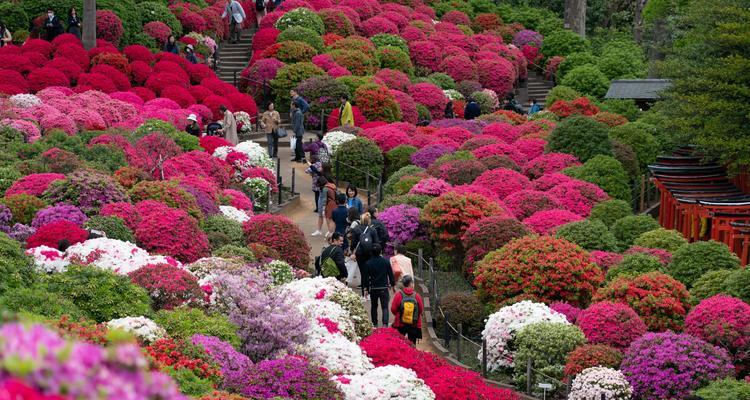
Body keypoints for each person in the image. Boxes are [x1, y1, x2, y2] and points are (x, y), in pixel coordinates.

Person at [365, 243, 395, 327]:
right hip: (384, 287)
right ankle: (385, 323)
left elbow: (366, 278)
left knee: (374, 306)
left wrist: (366, 289)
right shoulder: (385, 262)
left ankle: (374, 323)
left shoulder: (368, 263)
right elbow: (390, 274)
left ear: (371, 252)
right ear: (380, 251)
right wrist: (393, 285)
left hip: (374, 287)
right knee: (385, 306)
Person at [351, 212, 379, 295]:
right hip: (370, 253)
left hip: (360, 254)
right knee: (371, 272)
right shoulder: (372, 230)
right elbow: (376, 242)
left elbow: (353, 243)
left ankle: (365, 293)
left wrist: (352, 251)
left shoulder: (356, 229)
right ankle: (372, 291)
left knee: (363, 273)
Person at [390, 275, 423, 344]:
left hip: (400, 323)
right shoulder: (417, 296)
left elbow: (393, 309)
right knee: (412, 344)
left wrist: (399, 314)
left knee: (399, 344)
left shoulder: (398, 295)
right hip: (414, 324)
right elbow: (421, 310)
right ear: (411, 283)